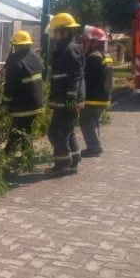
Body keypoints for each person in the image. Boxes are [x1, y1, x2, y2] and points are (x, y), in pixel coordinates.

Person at [44, 12, 85, 176]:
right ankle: (73, 162)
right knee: (67, 131)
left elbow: (75, 77)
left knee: (55, 132)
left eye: (56, 32)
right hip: (65, 100)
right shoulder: (66, 48)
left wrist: (70, 102)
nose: (53, 36)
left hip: (67, 100)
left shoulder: (70, 50)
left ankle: (62, 165)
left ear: (65, 32)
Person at [1, 30, 45, 155]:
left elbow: (10, 86)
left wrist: (5, 102)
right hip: (36, 102)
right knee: (25, 130)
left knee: (17, 131)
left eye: (15, 45)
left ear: (18, 46)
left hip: (23, 105)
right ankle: (26, 156)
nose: (14, 48)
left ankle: (8, 156)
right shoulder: (35, 57)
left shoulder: (15, 62)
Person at [79, 25, 113, 157]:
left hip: (93, 97)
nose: (84, 43)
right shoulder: (106, 55)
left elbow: (87, 79)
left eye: (87, 41)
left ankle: (94, 147)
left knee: (85, 120)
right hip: (104, 97)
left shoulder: (94, 57)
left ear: (94, 42)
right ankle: (96, 145)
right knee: (94, 121)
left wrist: (79, 95)